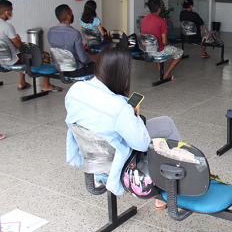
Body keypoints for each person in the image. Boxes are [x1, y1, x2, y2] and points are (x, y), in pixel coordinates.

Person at [65, 43, 181, 209]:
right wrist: (136, 117)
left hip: (92, 154)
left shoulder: (75, 90)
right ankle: (171, 185)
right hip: (116, 157)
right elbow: (141, 143)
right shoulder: (119, 107)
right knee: (166, 124)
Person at [0, 0, 62, 92]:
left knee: (23, 55)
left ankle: (22, 82)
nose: (11, 13)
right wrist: (19, 41)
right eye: (11, 11)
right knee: (44, 55)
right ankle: (47, 85)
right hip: (13, 60)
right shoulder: (7, 26)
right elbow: (19, 46)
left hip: (2, 59)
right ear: (7, 11)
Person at [141, 0, 183, 80]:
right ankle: (166, 74)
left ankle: (161, 73)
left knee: (157, 49)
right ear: (159, 8)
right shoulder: (161, 21)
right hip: (157, 51)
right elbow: (164, 42)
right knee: (180, 52)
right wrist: (168, 43)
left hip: (147, 50)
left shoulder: (144, 19)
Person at [48, 4, 95, 77]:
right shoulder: (75, 33)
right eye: (71, 13)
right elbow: (83, 59)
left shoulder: (51, 32)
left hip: (60, 69)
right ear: (68, 16)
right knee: (102, 66)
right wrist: (90, 60)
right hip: (77, 70)